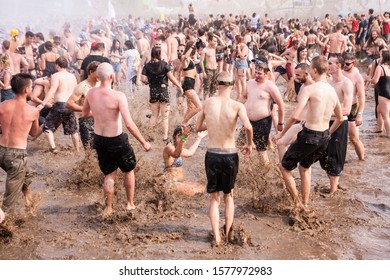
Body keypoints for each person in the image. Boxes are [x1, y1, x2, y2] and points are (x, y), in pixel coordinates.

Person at [274, 56, 343, 218]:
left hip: (310, 135)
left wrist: (281, 133)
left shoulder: (310, 89)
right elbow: (339, 118)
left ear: (313, 70)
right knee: (304, 168)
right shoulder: (332, 90)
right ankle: (305, 204)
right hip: (324, 136)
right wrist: (328, 133)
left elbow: (295, 115)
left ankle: (298, 203)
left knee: (283, 167)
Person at [82, 62, 151, 217]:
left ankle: (108, 208)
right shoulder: (118, 96)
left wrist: (100, 114)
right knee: (128, 170)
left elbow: (84, 114)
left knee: (109, 174)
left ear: (98, 77)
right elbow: (129, 124)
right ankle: (130, 204)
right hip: (117, 139)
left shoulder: (91, 93)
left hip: (99, 139)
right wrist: (144, 142)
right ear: (112, 76)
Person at [195, 71, 253, 247]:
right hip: (229, 154)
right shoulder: (237, 106)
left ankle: (217, 239)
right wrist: (249, 145)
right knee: (229, 196)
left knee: (214, 197)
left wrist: (212, 125)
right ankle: (228, 235)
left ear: (216, 85)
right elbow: (249, 127)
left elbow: (197, 127)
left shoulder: (207, 103)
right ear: (233, 86)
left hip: (212, 154)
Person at [0, 73, 39, 221]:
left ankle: (28, 199)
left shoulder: (2, 105)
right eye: (31, 87)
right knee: (10, 199)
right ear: (26, 90)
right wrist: (45, 125)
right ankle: (5, 224)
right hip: (17, 155)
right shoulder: (32, 111)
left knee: (26, 174)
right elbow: (34, 133)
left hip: (1, 149)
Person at [319, 54, 353, 195]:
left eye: (330, 63)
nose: (327, 65)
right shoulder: (326, 81)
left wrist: (327, 112)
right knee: (323, 155)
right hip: (325, 122)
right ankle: (335, 183)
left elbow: (346, 110)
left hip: (340, 122)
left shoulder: (346, 83)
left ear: (338, 65)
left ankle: (333, 191)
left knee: (335, 155)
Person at [243, 60, 285, 164]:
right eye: (256, 72)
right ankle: (248, 170)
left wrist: (280, 123)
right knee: (240, 144)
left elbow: (281, 105)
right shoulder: (250, 83)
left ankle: (266, 172)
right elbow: (243, 98)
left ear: (266, 74)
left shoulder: (270, 86)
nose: (256, 75)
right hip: (248, 121)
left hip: (263, 122)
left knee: (261, 151)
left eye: (259, 73)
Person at [141, 47, 183, 143]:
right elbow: (171, 78)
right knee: (165, 117)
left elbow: (143, 79)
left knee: (154, 116)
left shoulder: (147, 66)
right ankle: (165, 138)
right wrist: (179, 86)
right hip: (163, 91)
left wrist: (149, 82)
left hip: (153, 92)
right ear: (159, 54)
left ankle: (149, 135)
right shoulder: (164, 65)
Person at [39, 57, 79, 153]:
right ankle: (77, 151)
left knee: (47, 127)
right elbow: (76, 91)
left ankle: (53, 149)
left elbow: (52, 90)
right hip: (70, 105)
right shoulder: (72, 76)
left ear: (57, 65)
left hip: (60, 104)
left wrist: (43, 103)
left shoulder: (56, 76)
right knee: (73, 130)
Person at [276, 63, 314, 162]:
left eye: (297, 75)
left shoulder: (314, 87)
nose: (294, 77)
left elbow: (321, 107)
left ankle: (284, 170)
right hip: (298, 121)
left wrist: (309, 117)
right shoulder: (302, 86)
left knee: (281, 143)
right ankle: (286, 169)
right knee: (302, 156)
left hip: (303, 124)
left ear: (306, 74)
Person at [163, 125, 207, 196]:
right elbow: (176, 154)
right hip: (171, 183)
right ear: (178, 135)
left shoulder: (180, 150)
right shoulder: (169, 147)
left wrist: (199, 138)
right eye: (185, 138)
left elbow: (190, 152)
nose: (185, 141)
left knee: (202, 188)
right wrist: (183, 138)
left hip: (179, 182)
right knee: (197, 192)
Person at [67, 61, 100, 148]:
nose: (100, 76)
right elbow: (69, 104)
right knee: (90, 151)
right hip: (86, 122)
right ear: (91, 72)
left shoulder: (100, 84)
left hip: (100, 121)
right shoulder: (82, 86)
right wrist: (85, 109)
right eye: (98, 73)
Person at [342, 52, 365, 160]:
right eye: (343, 63)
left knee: (354, 138)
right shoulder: (340, 72)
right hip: (340, 108)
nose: (344, 66)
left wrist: (360, 114)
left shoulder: (357, 77)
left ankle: (361, 159)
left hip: (352, 108)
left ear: (354, 63)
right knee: (338, 137)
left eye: (347, 64)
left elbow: (362, 97)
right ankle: (341, 159)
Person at [368, 50, 390, 137]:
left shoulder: (380, 67)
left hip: (383, 93)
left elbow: (374, 81)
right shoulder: (389, 67)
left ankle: (389, 134)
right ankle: (379, 129)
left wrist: (368, 79)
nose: (379, 58)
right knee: (378, 110)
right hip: (388, 92)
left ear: (384, 58)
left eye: (380, 56)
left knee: (386, 116)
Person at [181, 41, 202, 125]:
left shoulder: (190, 59)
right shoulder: (185, 58)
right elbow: (185, 56)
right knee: (199, 107)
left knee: (191, 108)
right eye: (194, 48)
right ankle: (184, 122)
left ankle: (182, 125)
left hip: (190, 84)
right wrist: (193, 45)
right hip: (188, 84)